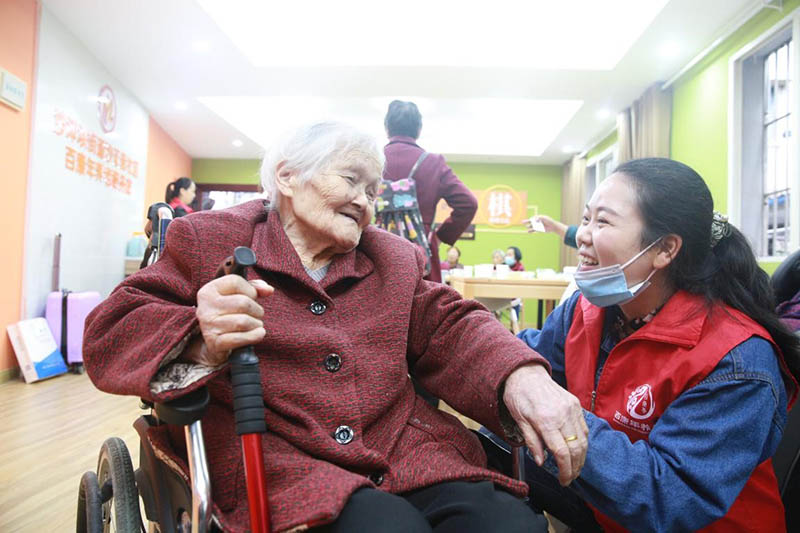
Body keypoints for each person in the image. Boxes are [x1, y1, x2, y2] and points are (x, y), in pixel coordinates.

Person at [83, 122, 588, 533]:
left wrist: (519, 376)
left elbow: (450, 327)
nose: (367, 203)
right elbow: (113, 329)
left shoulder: (393, 256)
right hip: (275, 457)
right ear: (286, 177)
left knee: (507, 524)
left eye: (374, 191)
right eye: (351, 181)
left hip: (400, 446)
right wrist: (198, 333)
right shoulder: (208, 237)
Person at [495, 158, 800, 532]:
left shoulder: (737, 361)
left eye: (603, 222)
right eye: (586, 219)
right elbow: (526, 357)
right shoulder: (586, 309)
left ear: (665, 249)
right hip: (607, 512)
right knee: (481, 451)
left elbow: (669, 497)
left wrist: (559, 415)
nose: (583, 236)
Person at [383, 101, 477, 283]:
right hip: (420, 245)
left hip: (377, 247)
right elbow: (468, 203)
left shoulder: (371, 159)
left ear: (387, 127)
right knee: (423, 304)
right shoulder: (433, 163)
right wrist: (441, 236)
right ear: (419, 129)